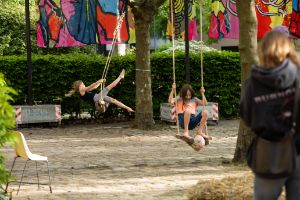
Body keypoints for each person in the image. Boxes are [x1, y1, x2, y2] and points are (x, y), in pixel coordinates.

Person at [240, 30, 300, 199]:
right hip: (297, 149)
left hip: (269, 153)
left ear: (263, 50)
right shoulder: (298, 75)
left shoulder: (253, 81)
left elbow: (246, 114)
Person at [66, 69, 134, 113]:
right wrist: (98, 81)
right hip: (97, 98)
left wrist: (99, 82)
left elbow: (94, 87)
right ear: (80, 85)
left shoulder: (83, 90)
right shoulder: (81, 90)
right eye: (83, 84)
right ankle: (120, 77)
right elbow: (90, 86)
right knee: (110, 86)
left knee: (114, 100)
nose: (84, 85)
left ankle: (127, 108)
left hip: (98, 97)